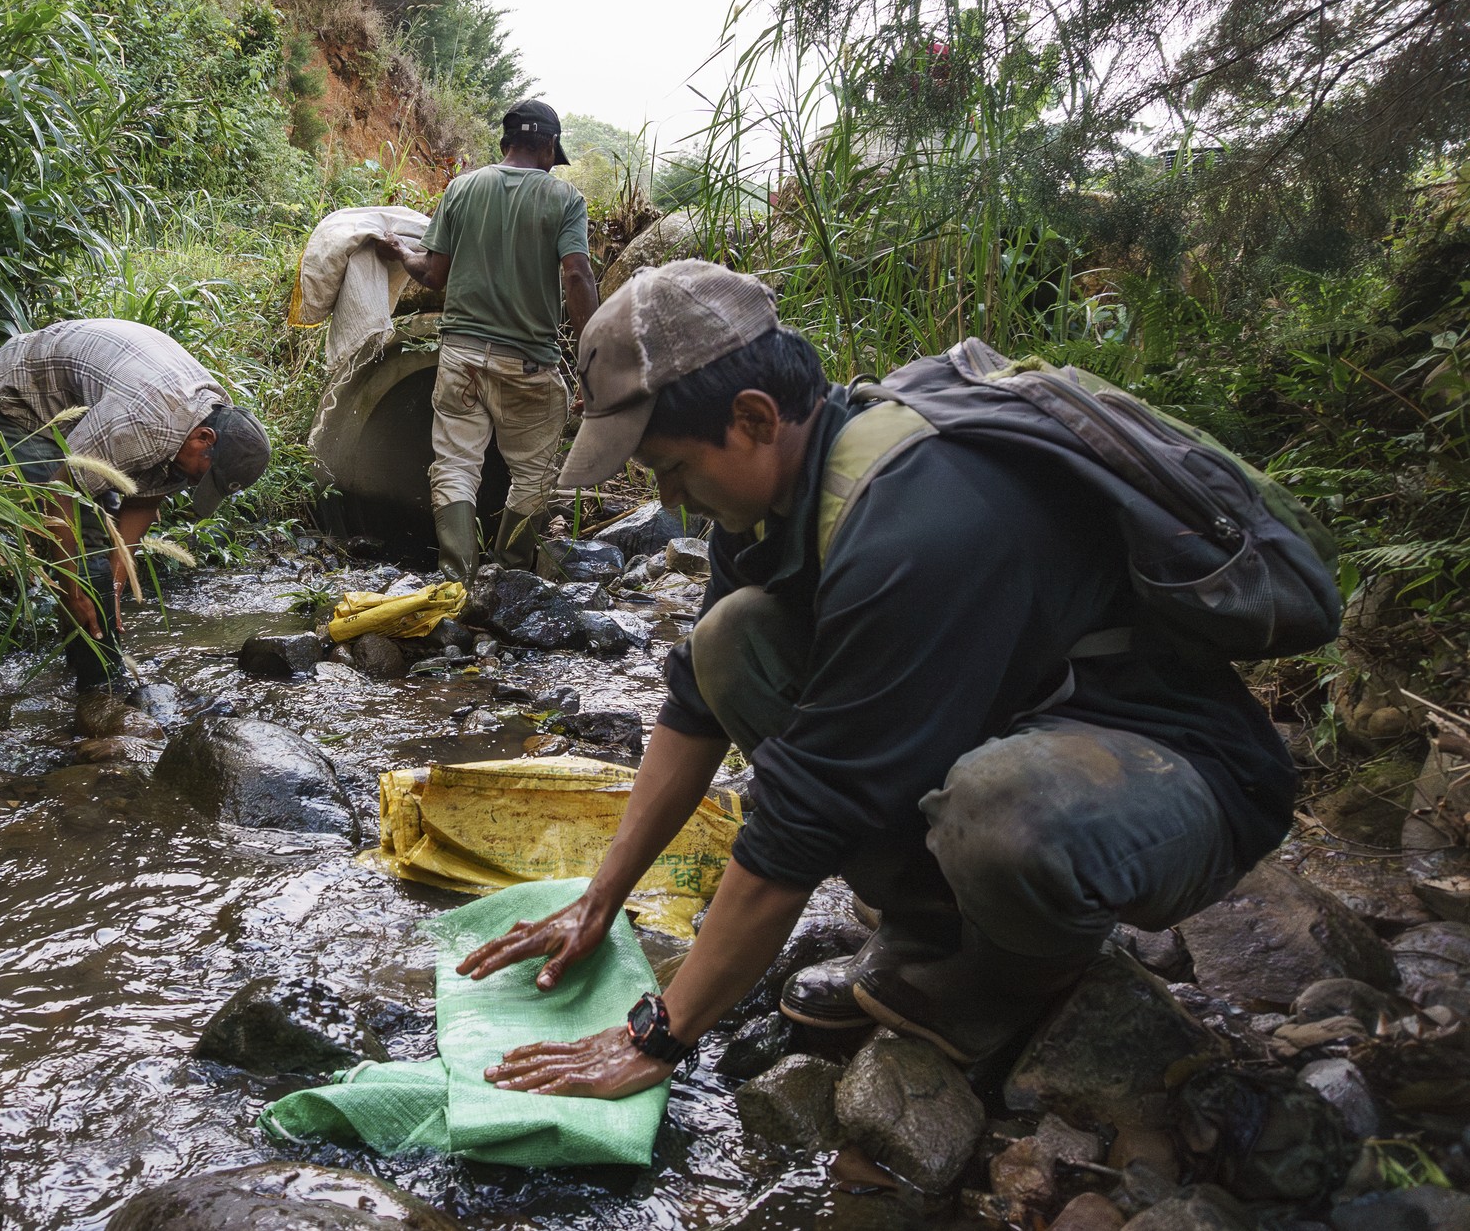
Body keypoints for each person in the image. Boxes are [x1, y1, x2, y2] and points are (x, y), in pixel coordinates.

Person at [456, 259, 1298, 1096]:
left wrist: (659, 1034)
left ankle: (1012, 983)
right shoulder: (771, 504)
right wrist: (598, 898)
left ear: (752, 418)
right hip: (1010, 720)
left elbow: (808, 806)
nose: (671, 497)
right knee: (729, 639)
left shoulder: (919, 514)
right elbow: (694, 699)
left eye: (671, 466)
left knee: (1000, 814)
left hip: (1174, 770)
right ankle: (932, 921)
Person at [0, 318, 270, 688]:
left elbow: (143, 504)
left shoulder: (207, 420)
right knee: (85, 554)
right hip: (19, 395)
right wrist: (73, 591)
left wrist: (113, 591)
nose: (193, 484)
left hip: (88, 410)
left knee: (98, 575)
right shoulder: (144, 426)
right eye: (201, 476)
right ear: (203, 438)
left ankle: (85, 654)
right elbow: (58, 495)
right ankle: (98, 686)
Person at [377, 98, 601, 579]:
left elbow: (432, 275)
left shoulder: (462, 189)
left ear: (505, 144)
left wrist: (400, 250)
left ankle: (457, 578)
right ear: (549, 149)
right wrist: (593, 362)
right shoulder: (565, 201)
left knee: (455, 465)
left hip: (460, 357)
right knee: (534, 473)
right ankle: (507, 575)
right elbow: (577, 275)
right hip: (527, 363)